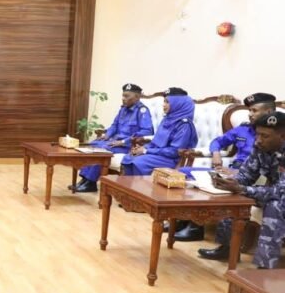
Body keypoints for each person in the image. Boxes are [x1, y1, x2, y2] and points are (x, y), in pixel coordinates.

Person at [174, 92, 277, 241]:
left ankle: (195, 228)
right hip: (237, 172)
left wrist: (236, 174)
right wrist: (216, 154)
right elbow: (217, 141)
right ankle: (183, 220)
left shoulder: (275, 136)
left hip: (254, 178)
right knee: (186, 173)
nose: (250, 114)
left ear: (268, 112)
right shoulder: (243, 129)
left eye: (254, 110)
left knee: (216, 185)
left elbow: (268, 171)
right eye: (249, 110)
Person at [207, 112, 285, 268]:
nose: (258, 140)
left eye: (265, 136)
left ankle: (265, 266)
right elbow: (246, 175)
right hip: (273, 192)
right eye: (257, 134)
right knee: (232, 197)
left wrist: (242, 188)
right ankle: (228, 249)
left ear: (282, 136)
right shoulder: (260, 147)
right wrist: (230, 183)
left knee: (275, 205)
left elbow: (280, 192)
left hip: (280, 195)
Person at [74, 83, 154, 193]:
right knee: (93, 144)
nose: (123, 99)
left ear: (136, 97)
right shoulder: (123, 109)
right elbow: (114, 125)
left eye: (127, 96)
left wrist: (123, 141)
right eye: (123, 96)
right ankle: (85, 179)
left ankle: (91, 182)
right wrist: (107, 134)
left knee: (102, 150)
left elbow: (147, 131)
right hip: (115, 142)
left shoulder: (142, 111)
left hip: (127, 145)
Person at [121, 87, 198, 175]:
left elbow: (174, 152)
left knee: (139, 162)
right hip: (158, 155)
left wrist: (146, 151)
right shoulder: (167, 119)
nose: (164, 105)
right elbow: (155, 142)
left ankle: (140, 184)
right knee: (128, 157)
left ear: (178, 104)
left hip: (170, 160)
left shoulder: (184, 125)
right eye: (164, 101)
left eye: (167, 102)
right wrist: (142, 148)